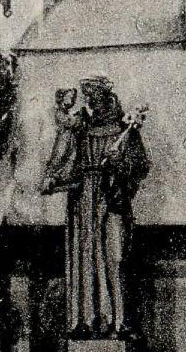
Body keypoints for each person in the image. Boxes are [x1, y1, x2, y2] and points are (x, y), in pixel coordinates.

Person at [42, 77, 151, 337]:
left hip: (111, 197)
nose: (90, 102)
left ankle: (116, 321)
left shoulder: (125, 127)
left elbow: (140, 166)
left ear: (105, 97)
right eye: (88, 97)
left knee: (113, 256)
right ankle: (85, 321)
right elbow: (69, 157)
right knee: (85, 255)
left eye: (93, 97)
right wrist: (53, 177)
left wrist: (118, 162)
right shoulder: (82, 126)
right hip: (83, 199)